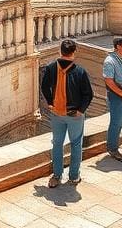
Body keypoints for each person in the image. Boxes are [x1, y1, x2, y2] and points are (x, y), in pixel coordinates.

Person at [40, 39, 93, 188]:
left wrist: (50, 103)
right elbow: (88, 94)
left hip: (57, 113)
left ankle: (56, 175)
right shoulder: (80, 71)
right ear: (74, 52)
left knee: (57, 144)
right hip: (74, 115)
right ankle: (74, 177)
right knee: (76, 145)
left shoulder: (51, 67)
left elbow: (44, 87)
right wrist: (81, 110)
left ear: (60, 51)